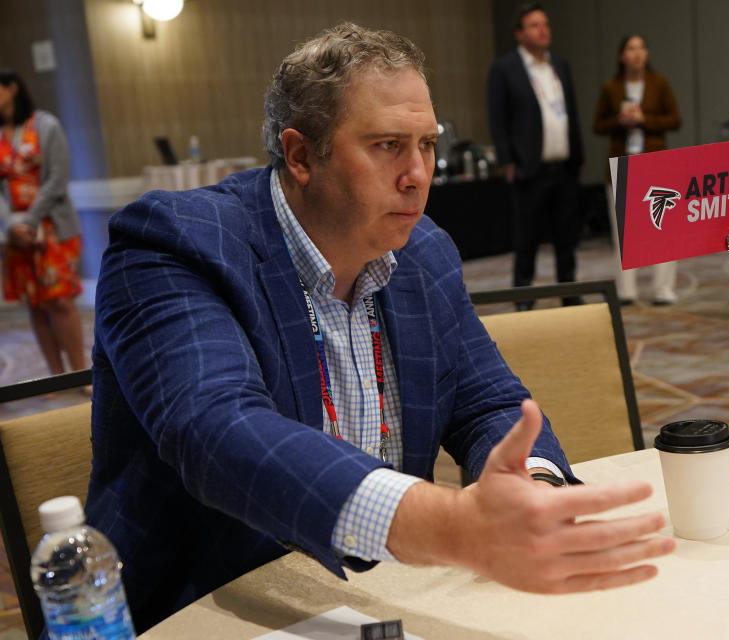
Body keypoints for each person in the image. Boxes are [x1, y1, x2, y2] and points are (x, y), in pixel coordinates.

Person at [85, 24, 674, 632]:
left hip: (382, 603)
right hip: (208, 610)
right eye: (389, 145)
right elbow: (218, 432)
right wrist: (450, 527)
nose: (419, 174)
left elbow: (488, 402)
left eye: (427, 144)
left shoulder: (424, 251)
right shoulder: (176, 243)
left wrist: (534, 489)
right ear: (299, 155)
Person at [487, 3, 584, 308]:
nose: (543, 30)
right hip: (529, 169)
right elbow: (497, 118)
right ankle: (524, 298)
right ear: (519, 33)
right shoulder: (505, 69)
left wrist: (577, 157)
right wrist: (507, 160)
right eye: (534, 25)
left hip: (563, 167)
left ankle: (569, 294)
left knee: (566, 239)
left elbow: (571, 114)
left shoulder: (560, 66)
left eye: (545, 24)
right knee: (526, 240)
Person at [0, 70, 87, 386]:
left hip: (52, 225)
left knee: (60, 301)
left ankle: (80, 373)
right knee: (35, 305)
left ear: (12, 88)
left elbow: (57, 179)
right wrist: (12, 225)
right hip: (14, 234)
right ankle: (55, 377)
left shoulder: (45, 124)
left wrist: (29, 220)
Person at [592, 34, 681, 305]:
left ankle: (663, 288)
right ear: (622, 56)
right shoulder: (611, 87)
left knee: (662, 226)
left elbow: (675, 119)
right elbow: (598, 125)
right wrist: (619, 122)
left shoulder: (659, 82)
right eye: (631, 48)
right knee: (624, 232)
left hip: (655, 164)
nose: (637, 53)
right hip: (622, 163)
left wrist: (645, 120)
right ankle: (626, 290)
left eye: (642, 47)